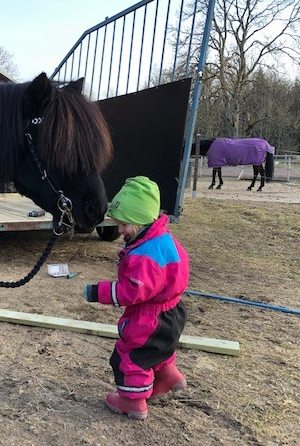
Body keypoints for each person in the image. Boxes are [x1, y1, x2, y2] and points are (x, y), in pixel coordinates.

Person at [83, 176, 189, 420]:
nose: (120, 230)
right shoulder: (165, 240)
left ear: (140, 220)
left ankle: (132, 402)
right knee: (156, 349)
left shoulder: (144, 257)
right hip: (173, 311)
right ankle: (168, 376)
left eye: (124, 225)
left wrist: (98, 292)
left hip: (149, 317)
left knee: (129, 356)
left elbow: (132, 291)